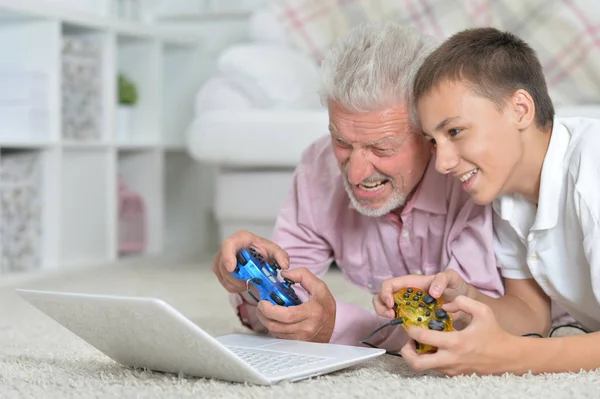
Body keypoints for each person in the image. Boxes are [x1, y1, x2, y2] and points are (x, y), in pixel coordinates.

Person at [212, 21, 506, 353]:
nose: (354, 173)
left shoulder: (468, 178)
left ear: (429, 136)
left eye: (382, 149)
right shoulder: (318, 168)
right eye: (341, 142)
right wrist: (251, 285)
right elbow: (289, 302)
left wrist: (336, 324)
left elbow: (468, 326)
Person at [374, 26, 600, 375]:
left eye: (455, 132)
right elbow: (531, 314)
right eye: (434, 141)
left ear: (520, 109)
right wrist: (464, 301)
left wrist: (509, 356)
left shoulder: (593, 170)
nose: (442, 163)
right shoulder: (508, 194)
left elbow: (522, 346)